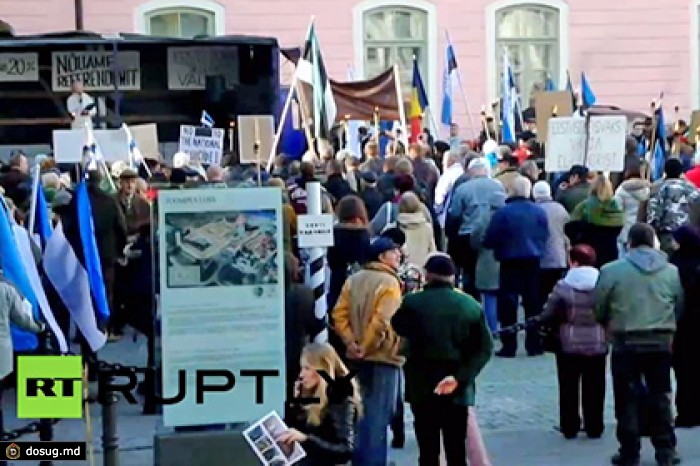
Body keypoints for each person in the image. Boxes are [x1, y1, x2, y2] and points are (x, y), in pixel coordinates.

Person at [392, 253, 492, 466]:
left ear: (427, 275)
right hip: (456, 387)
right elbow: (484, 349)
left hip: (422, 385)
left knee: (428, 450)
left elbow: (397, 326)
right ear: (452, 277)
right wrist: (460, 378)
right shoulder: (469, 305)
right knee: (456, 448)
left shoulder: (412, 303)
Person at [595, 223, 683, 466]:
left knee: (626, 396)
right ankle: (665, 448)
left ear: (630, 243)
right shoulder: (671, 271)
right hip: (660, 339)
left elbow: (599, 305)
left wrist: (607, 323)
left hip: (626, 339)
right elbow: (678, 304)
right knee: (661, 394)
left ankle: (629, 449)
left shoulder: (611, 270)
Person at [332, 237, 404, 465]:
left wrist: (350, 343)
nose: (399, 255)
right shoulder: (390, 283)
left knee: (360, 412)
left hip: (354, 357)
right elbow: (383, 320)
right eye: (395, 252)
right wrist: (366, 345)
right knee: (379, 415)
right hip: (382, 356)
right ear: (382, 257)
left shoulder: (353, 279)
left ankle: (360, 460)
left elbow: (339, 315)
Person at [538, 244, 607, 440]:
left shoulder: (563, 286)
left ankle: (570, 425)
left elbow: (548, 312)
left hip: (568, 342)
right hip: (597, 341)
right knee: (595, 385)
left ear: (572, 261)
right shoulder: (603, 284)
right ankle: (595, 426)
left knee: (568, 386)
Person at [483, 175, 549, 357]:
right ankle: (534, 343)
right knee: (533, 303)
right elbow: (545, 235)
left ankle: (509, 345)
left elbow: (489, 238)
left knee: (508, 305)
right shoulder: (539, 212)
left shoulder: (503, 213)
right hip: (533, 261)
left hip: (509, 261)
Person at [282, 343, 361, 466]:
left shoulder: (340, 395)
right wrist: (295, 405)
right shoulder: (309, 391)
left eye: (307, 368)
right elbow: (296, 429)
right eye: (302, 368)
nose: (301, 375)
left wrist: (306, 440)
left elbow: (345, 450)